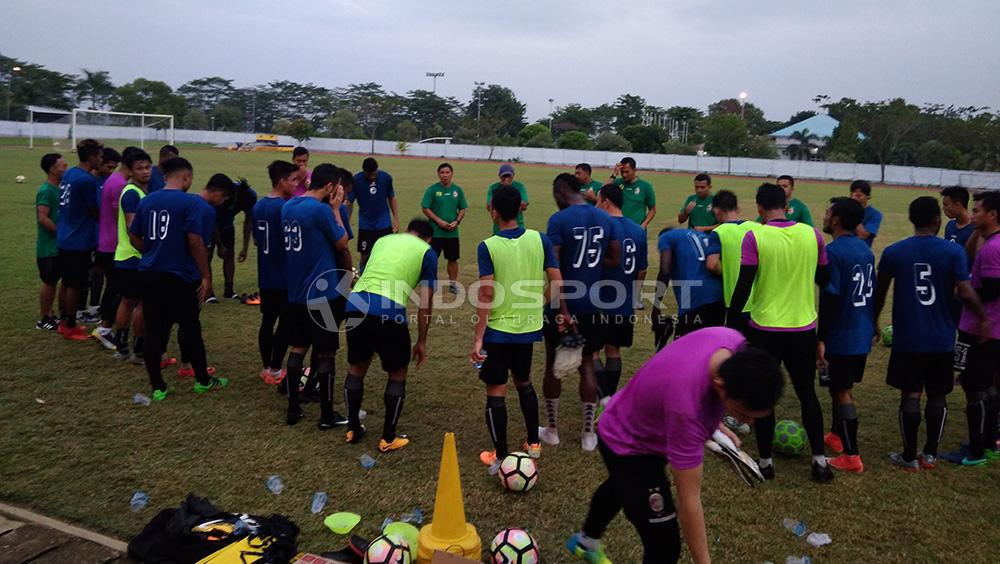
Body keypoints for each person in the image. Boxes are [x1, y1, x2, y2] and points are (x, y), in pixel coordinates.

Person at [565, 327, 783, 564]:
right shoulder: (687, 410)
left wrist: (712, 426)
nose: (748, 422)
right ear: (721, 386)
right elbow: (689, 499)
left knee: (620, 486)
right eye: (744, 414)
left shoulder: (730, 339)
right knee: (664, 545)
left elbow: (693, 383)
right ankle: (587, 541)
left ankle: (585, 542)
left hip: (631, 415)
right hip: (628, 444)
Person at [872, 196, 987, 471]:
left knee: (910, 394)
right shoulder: (952, 252)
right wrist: (983, 317)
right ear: (937, 220)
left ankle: (909, 456)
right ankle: (931, 454)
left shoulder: (894, 251)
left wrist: (873, 321)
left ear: (912, 220)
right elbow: (966, 291)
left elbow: (880, 292)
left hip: (908, 337)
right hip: (941, 338)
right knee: (937, 395)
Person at [729, 183, 833, 482]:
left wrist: (729, 324)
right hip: (803, 327)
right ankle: (819, 461)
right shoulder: (812, 234)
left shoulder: (755, 236)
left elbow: (744, 286)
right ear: (786, 205)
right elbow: (824, 278)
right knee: (807, 392)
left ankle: (765, 462)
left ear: (760, 208)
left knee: (764, 394)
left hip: (765, 328)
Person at [471, 185, 561, 468]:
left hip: (498, 331)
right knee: (524, 383)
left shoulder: (488, 246)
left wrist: (478, 338)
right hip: (528, 329)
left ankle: (499, 454)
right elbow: (558, 283)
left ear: (493, 211)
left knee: (496, 390)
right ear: (521, 208)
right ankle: (533, 444)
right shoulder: (539, 239)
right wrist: (537, 304)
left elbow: (486, 294)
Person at [128, 158, 230, 401]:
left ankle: (158, 387)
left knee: (154, 331)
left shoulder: (148, 199)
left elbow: (133, 235)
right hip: (179, 276)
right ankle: (203, 381)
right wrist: (205, 275)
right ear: (185, 177)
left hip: (149, 272)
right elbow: (195, 241)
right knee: (190, 327)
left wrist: (152, 252)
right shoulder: (193, 204)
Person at [539, 173, 620, 452]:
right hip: (593, 303)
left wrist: (562, 309)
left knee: (553, 365)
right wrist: (592, 267)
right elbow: (615, 257)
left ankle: (552, 430)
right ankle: (587, 436)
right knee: (587, 365)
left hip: (564, 303)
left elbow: (555, 268)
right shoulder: (605, 218)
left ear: (560, 192)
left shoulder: (558, 220)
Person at [343, 219, 437, 452]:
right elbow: (425, 303)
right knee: (397, 372)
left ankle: (353, 428)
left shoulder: (383, 240)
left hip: (356, 303)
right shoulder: (427, 251)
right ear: (428, 239)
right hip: (389, 310)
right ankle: (388, 437)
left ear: (407, 231)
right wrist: (422, 341)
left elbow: (363, 274)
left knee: (357, 367)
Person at [281, 164, 351, 427]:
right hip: (322, 292)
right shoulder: (321, 210)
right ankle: (326, 415)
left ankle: (293, 408)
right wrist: (335, 209)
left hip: (296, 292)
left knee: (298, 347)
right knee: (327, 353)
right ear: (331, 186)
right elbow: (342, 242)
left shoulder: (289, 206)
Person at [816, 197, 875, 473]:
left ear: (837, 219)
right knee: (840, 386)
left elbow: (830, 299)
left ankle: (852, 456)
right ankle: (836, 436)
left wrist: (821, 338)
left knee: (842, 392)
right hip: (861, 329)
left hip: (843, 332)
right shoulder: (865, 249)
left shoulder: (834, 251)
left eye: (828, 212)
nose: (825, 216)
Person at [943, 191, 1000, 466]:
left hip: (980, 328)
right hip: (990, 328)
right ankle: (989, 442)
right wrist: (978, 232)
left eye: (978, 211)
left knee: (973, 385)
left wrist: (964, 290)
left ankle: (975, 451)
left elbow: (990, 291)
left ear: (993, 215)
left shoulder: (992, 249)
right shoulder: (990, 241)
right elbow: (966, 254)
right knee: (987, 384)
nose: (973, 213)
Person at [594, 184, 647, 403]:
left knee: (593, 353)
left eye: (598, 200)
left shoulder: (601, 228)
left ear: (606, 201)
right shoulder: (637, 230)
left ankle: (605, 401)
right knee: (614, 351)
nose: (596, 205)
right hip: (624, 301)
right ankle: (610, 399)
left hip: (598, 300)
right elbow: (642, 268)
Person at [253, 161, 298, 386]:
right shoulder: (285, 208)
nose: (296, 184)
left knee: (267, 320)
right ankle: (277, 369)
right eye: (293, 180)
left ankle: (266, 368)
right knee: (285, 323)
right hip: (284, 275)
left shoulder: (258, 206)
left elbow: (256, 240)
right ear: (282, 181)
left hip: (265, 273)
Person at [56, 138, 103, 341]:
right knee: (75, 284)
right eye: (100, 156)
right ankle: (69, 325)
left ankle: (64, 320)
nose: (101, 159)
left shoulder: (70, 173)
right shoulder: (87, 180)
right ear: (92, 157)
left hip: (64, 235)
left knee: (67, 281)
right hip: (78, 239)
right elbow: (95, 212)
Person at [111, 148, 153, 363]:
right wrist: (149, 252)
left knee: (127, 302)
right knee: (139, 304)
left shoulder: (138, 192)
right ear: (130, 170)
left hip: (124, 255)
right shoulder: (131, 193)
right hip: (133, 256)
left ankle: (121, 347)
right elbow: (132, 229)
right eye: (140, 168)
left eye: (148, 167)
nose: (145, 172)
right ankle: (137, 350)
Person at [655, 227, 725, 344]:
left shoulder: (665, 237)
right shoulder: (703, 236)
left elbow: (665, 271)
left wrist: (656, 307)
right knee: (712, 346)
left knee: (683, 348)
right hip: (719, 296)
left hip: (695, 298)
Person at [705, 190, 760, 333]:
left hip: (736, 302)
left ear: (717, 210)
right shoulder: (757, 228)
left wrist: (725, 269)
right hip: (761, 302)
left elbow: (712, 264)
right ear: (737, 208)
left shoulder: (719, 232)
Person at [92, 146, 130, 348]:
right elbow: (119, 218)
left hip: (107, 243)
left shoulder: (113, 180)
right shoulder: (119, 184)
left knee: (113, 288)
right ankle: (104, 329)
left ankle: (103, 326)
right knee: (117, 289)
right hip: (113, 245)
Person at [82, 146, 122, 327]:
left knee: (102, 274)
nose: (111, 171)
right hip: (92, 235)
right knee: (91, 272)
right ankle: (84, 308)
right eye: (109, 167)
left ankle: (95, 306)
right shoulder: (90, 182)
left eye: (114, 167)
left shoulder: (111, 181)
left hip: (105, 237)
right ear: (100, 163)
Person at [421, 162, 468, 294]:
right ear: (438, 174)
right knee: (431, 259)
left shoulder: (457, 190)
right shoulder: (432, 190)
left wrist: (456, 221)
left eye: (447, 172)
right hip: (435, 232)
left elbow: (463, 208)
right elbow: (425, 208)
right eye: (442, 173)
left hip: (452, 233)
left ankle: (453, 284)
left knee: (453, 259)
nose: (445, 175)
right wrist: (439, 221)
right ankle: (431, 283)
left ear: (452, 174)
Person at [35, 153, 68, 331]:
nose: (66, 168)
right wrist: (61, 233)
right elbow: (43, 218)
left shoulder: (61, 188)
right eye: (63, 165)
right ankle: (45, 318)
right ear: (52, 169)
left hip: (60, 245)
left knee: (60, 281)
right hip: (48, 247)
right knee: (49, 282)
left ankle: (58, 315)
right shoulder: (46, 190)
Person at [209, 179, 256, 301]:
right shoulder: (224, 193)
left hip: (227, 224)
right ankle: (208, 292)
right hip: (210, 225)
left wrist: (245, 248)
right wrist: (219, 246)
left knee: (230, 254)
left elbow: (248, 221)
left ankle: (229, 290)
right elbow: (212, 220)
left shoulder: (250, 196)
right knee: (206, 256)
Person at [349, 157, 399, 266]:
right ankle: (362, 278)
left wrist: (395, 218)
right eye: (369, 175)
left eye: (374, 174)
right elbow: (349, 202)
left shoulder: (386, 178)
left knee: (386, 254)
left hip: (384, 224)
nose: (372, 177)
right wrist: (346, 222)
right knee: (365, 255)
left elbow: (391, 197)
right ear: (364, 171)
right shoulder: (356, 180)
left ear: (377, 169)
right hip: (366, 225)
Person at [609, 157, 656, 229]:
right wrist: (614, 175)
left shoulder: (645, 186)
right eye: (622, 172)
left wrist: (644, 224)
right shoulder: (617, 183)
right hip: (619, 227)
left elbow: (652, 209)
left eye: (627, 172)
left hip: (637, 228)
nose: (624, 175)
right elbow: (602, 191)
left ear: (635, 170)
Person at [486, 164, 529, 235]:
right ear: (499, 176)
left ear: (513, 175)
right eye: (504, 176)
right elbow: (489, 206)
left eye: (508, 176)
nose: (506, 179)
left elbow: (524, 205)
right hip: (498, 228)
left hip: (517, 225)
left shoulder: (519, 186)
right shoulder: (493, 188)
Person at [941, 186, 974, 270]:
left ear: (958, 205)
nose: (943, 208)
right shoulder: (950, 225)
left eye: (946, 205)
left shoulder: (975, 228)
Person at [849, 180, 882, 247]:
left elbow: (862, 235)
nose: (854, 198)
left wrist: (854, 212)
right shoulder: (844, 210)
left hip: (862, 252)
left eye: (859, 196)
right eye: (852, 195)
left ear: (867, 196)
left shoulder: (875, 214)